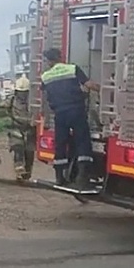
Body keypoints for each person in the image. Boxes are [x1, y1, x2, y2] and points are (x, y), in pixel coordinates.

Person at [40, 48, 100, 189]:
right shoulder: (72, 68)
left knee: (60, 143)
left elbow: (44, 94)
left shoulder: (45, 76)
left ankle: (60, 177)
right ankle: (82, 175)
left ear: (49, 61)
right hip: (76, 111)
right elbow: (88, 85)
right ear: (61, 57)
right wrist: (104, 89)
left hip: (60, 114)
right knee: (82, 140)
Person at [0, 74, 36, 180]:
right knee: (17, 147)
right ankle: (19, 169)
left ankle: (27, 171)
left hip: (30, 129)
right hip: (16, 126)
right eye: (20, 92)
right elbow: (1, 107)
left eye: (24, 92)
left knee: (29, 151)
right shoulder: (12, 99)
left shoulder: (34, 100)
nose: (22, 95)